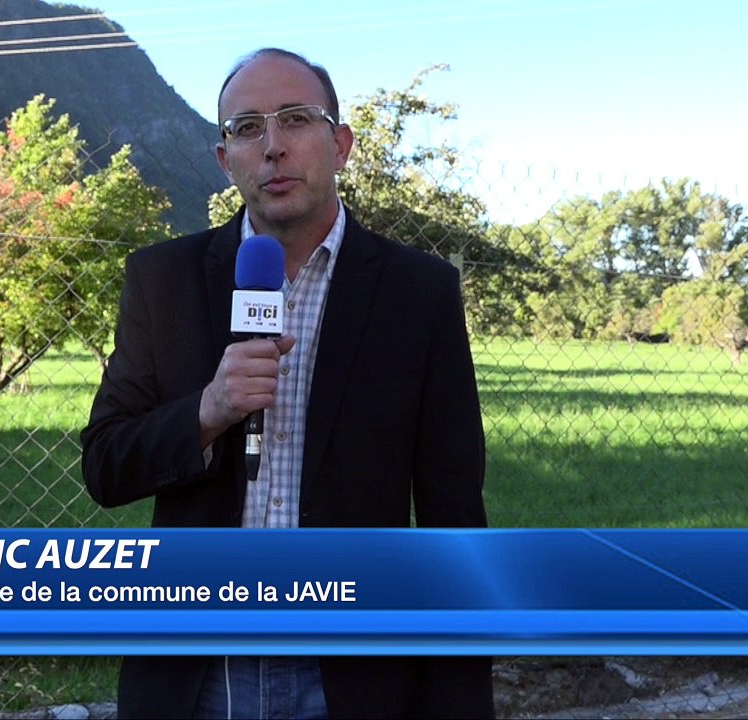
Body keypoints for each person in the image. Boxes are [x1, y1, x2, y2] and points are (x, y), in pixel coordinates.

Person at [80, 47, 492, 719]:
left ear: (341, 144)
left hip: (356, 678)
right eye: (247, 128)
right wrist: (207, 411)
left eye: (296, 120)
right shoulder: (163, 281)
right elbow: (105, 466)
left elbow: (453, 515)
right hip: (196, 674)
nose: (273, 147)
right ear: (224, 159)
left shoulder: (420, 292)